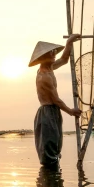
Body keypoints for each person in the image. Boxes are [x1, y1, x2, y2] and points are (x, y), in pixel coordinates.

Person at [28, 34, 81, 167]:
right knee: (49, 151)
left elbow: (64, 59)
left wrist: (69, 42)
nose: (54, 54)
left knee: (56, 148)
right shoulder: (44, 76)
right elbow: (55, 99)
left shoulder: (50, 68)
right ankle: (49, 180)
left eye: (53, 52)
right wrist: (71, 111)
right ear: (43, 58)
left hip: (53, 112)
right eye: (51, 53)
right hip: (47, 113)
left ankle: (54, 183)